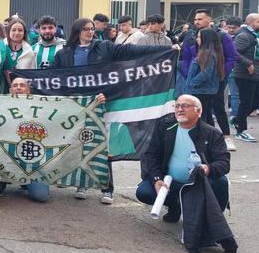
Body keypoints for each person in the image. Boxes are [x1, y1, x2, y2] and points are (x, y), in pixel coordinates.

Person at [53, 17, 175, 204]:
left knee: (104, 144)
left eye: (92, 29)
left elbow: (132, 50)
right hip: (77, 104)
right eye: (85, 29)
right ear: (76, 31)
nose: (90, 32)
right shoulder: (65, 53)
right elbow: (54, 77)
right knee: (80, 143)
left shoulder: (104, 47)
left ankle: (107, 188)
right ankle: (82, 184)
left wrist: (166, 49)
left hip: (104, 102)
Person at [135, 95, 235, 253]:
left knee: (221, 182)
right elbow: (150, 155)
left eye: (185, 106)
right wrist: (156, 179)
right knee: (144, 192)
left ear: (199, 111)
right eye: (177, 106)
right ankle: (175, 207)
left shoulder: (212, 133)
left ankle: (208, 221)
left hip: (198, 185)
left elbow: (223, 163)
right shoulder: (165, 127)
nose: (180, 109)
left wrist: (207, 169)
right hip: (171, 182)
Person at [180, 9, 237, 150]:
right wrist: (189, 76)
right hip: (197, 82)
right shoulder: (190, 36)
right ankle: (209, 139)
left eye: (200, 19)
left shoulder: (222, 36)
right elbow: (186, 59)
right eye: (195, 19)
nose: (196, 22)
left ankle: (226, 136)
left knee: (218, 107)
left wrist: (220, 73)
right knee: (202, 112)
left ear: (209, 19)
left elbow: (231, 57)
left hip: (215, 79)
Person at [231, 14, 259, 142]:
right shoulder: (244, 36)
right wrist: (248, 63)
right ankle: (241, 131)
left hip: (257, 74)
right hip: (244, 75)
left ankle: (237, 119)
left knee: (257, 103)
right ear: (251, 23)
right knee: (245, 103)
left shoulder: (258, 35)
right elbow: (233, 52)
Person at [185, 29, 224, 128]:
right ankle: (210, 137)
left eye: (199, 37)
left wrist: (192, 83)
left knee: (201, 116)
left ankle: (206, 137)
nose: (197, 39)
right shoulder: (213, 52)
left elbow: (206, 73)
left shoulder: (207, 53)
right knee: (206, 115)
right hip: (206, 89)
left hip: (202, 90)